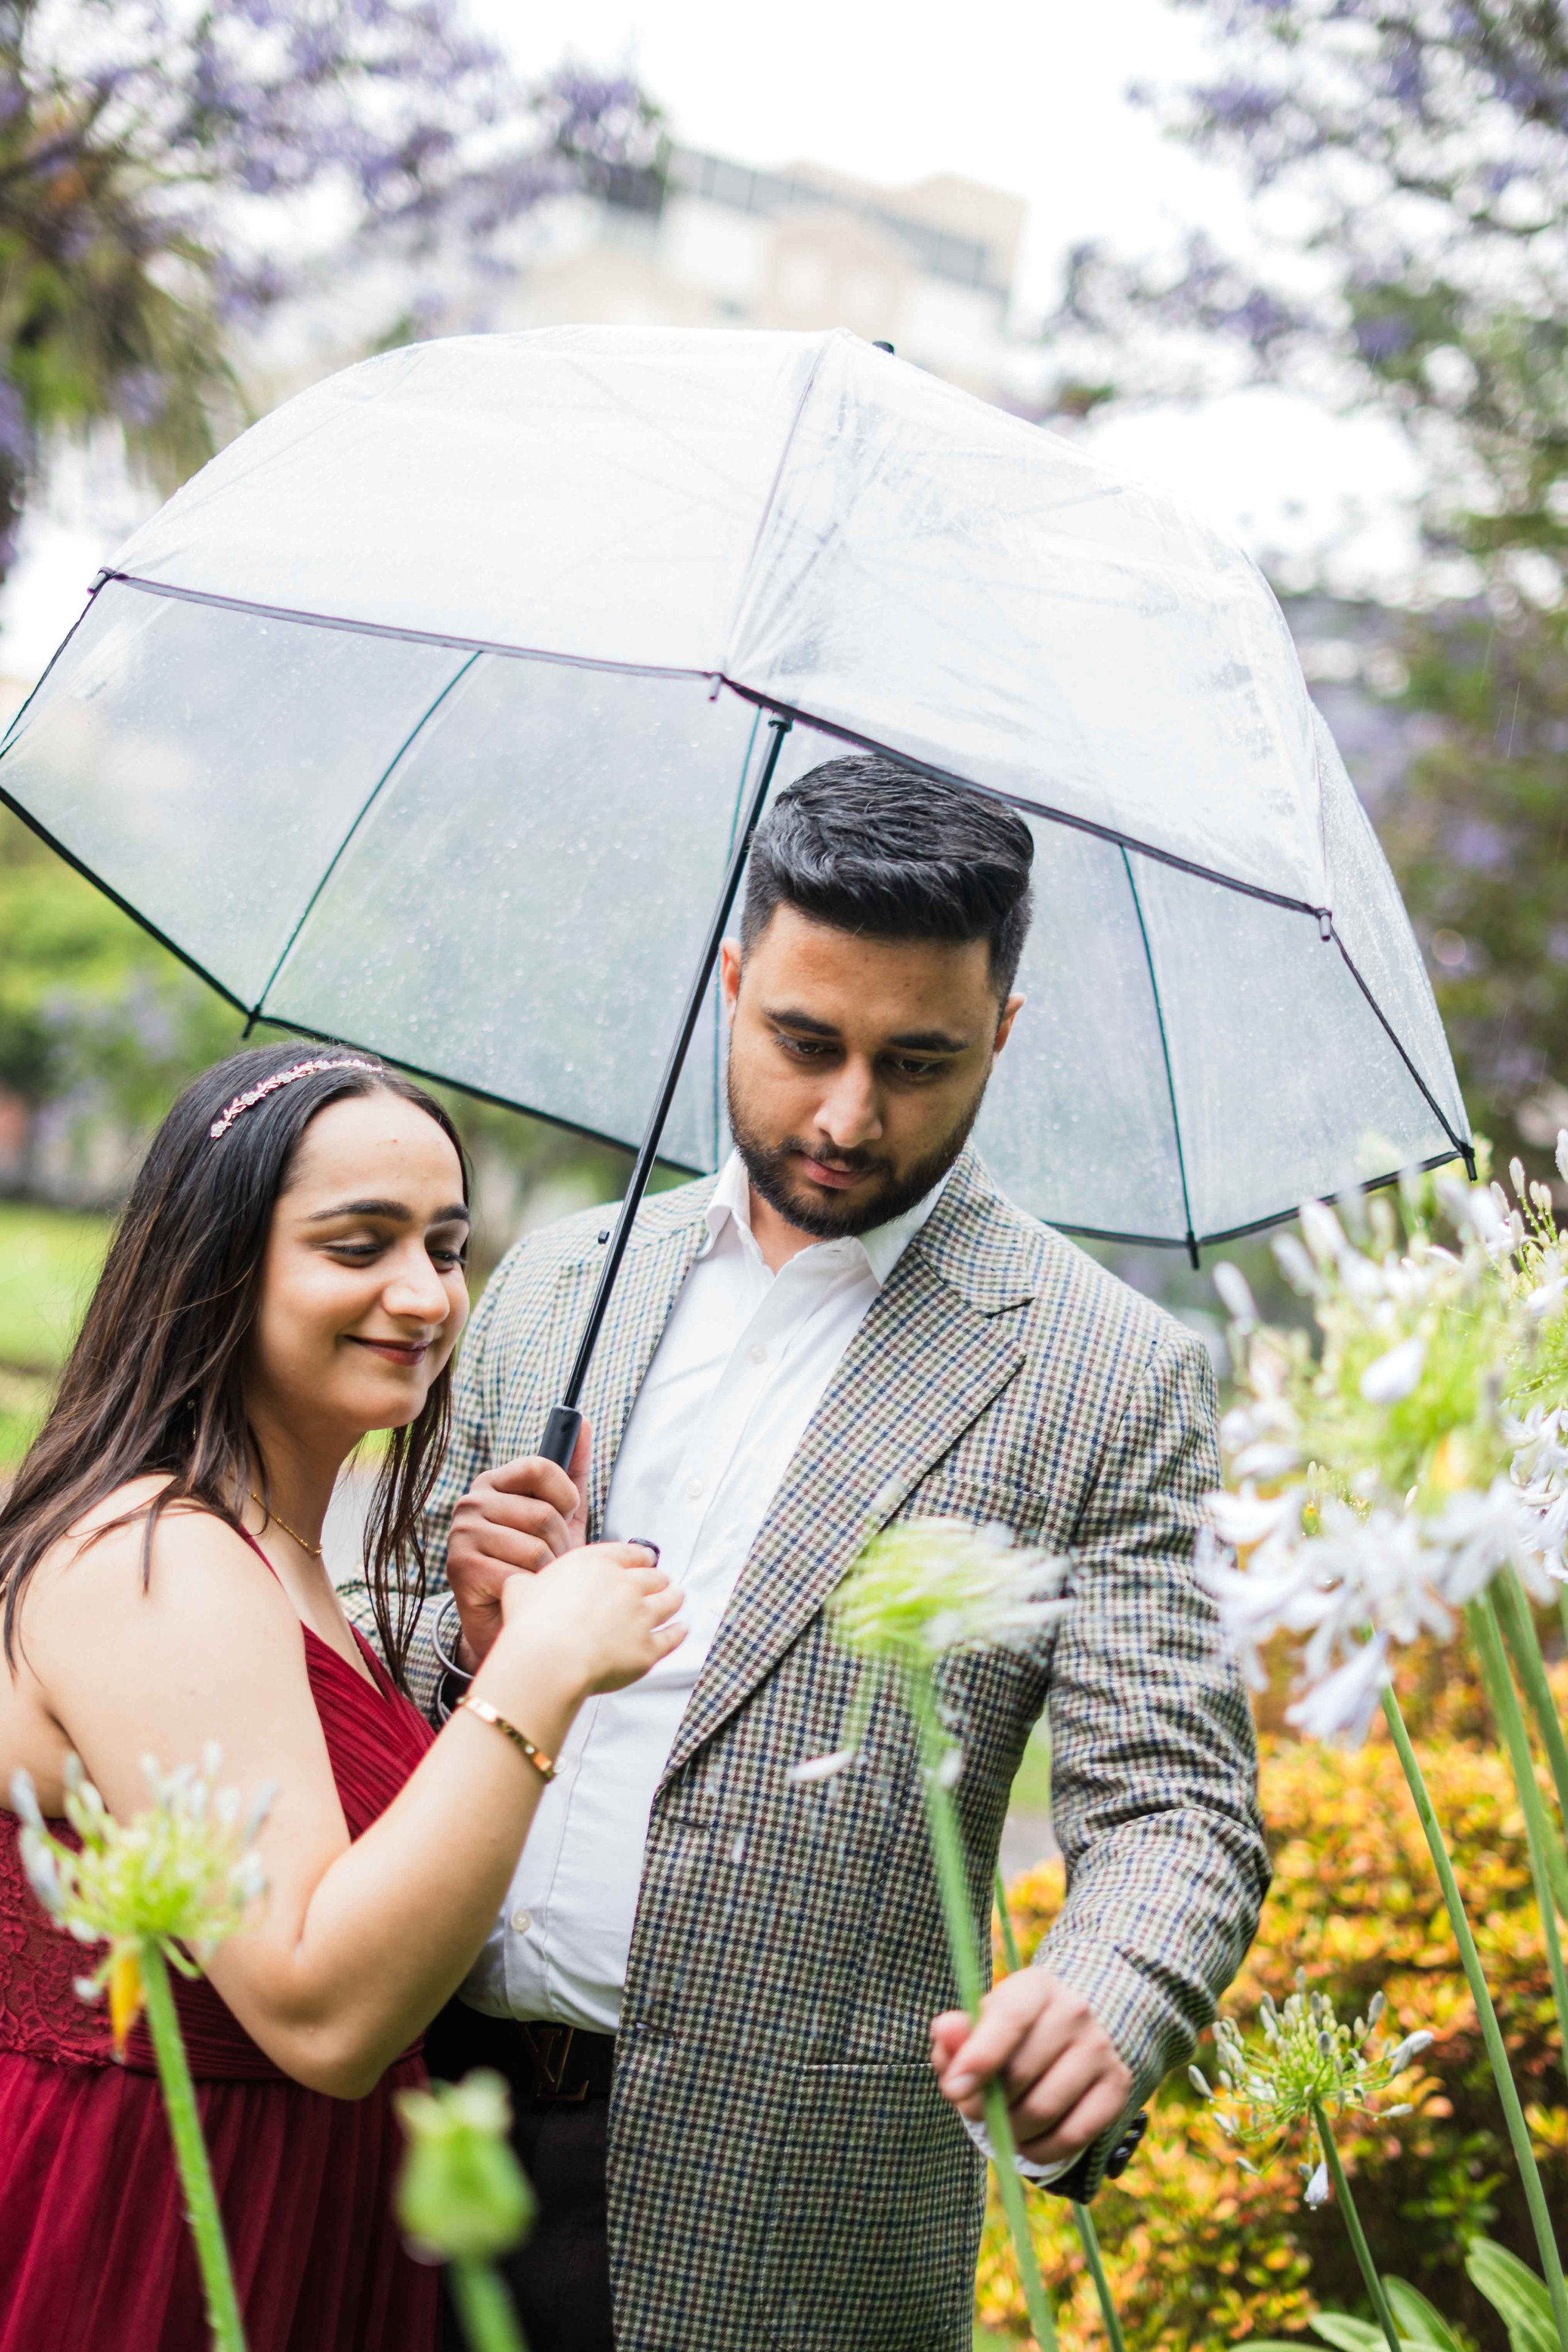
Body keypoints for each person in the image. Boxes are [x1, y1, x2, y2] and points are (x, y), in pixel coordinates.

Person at [360, 755, 1272, 2352]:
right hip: (409, 2126)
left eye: (918, 1062)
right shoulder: (557, 1281)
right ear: (730, 983)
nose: (849, 1115)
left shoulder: (1109, 1375)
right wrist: (467, 1637)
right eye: (804, 1043)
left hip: (785, 2217)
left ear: (1002, 1030)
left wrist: (1106, 1997)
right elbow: (368, 1635)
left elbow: (1175, 1809)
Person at [0, 1046, 684, 2352]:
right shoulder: (160, 1557)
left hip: (314, 2216)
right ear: (215, 1263)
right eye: (357, 1245)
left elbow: (363, 1886)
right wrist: (538, 1678)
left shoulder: (281, 1559)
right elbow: (322, 2011)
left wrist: (480, 1664)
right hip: (162, 2230)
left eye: (446, 1246)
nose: (424, 1294)